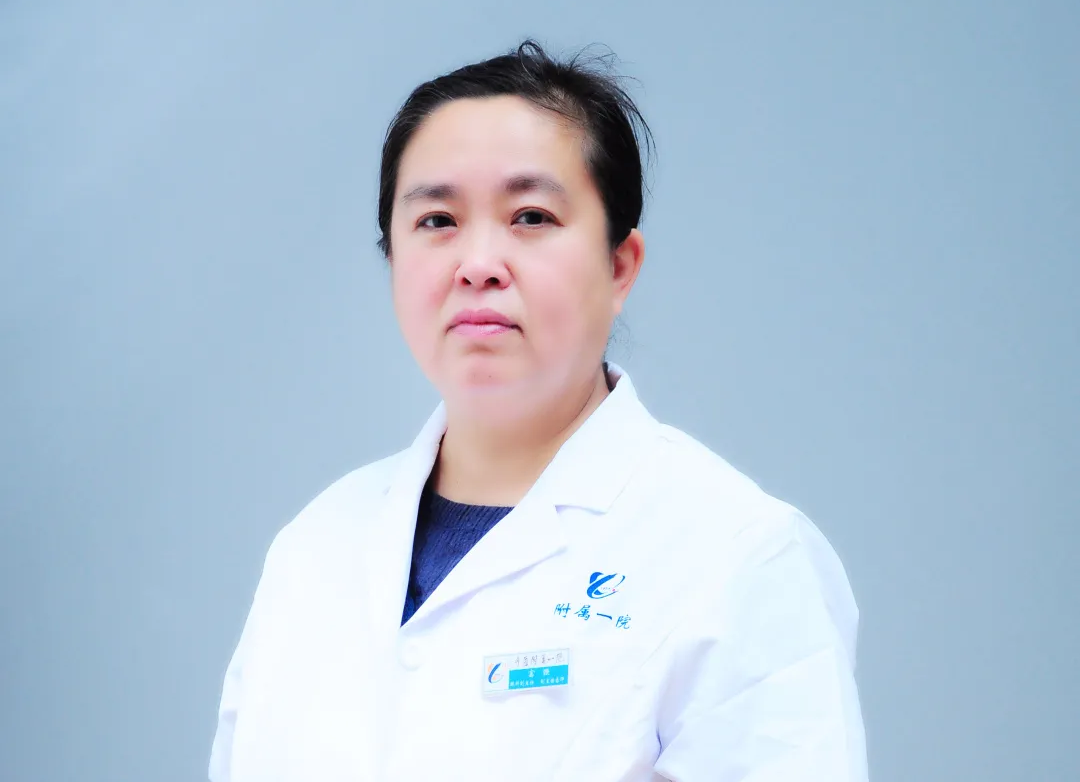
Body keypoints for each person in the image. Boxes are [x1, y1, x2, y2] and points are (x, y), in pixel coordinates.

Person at [208, 40, 868, 781]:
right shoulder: (314, 546)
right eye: (437, 220)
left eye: (529, 215)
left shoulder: (737, 556)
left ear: (619, 266)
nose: (478, 264)